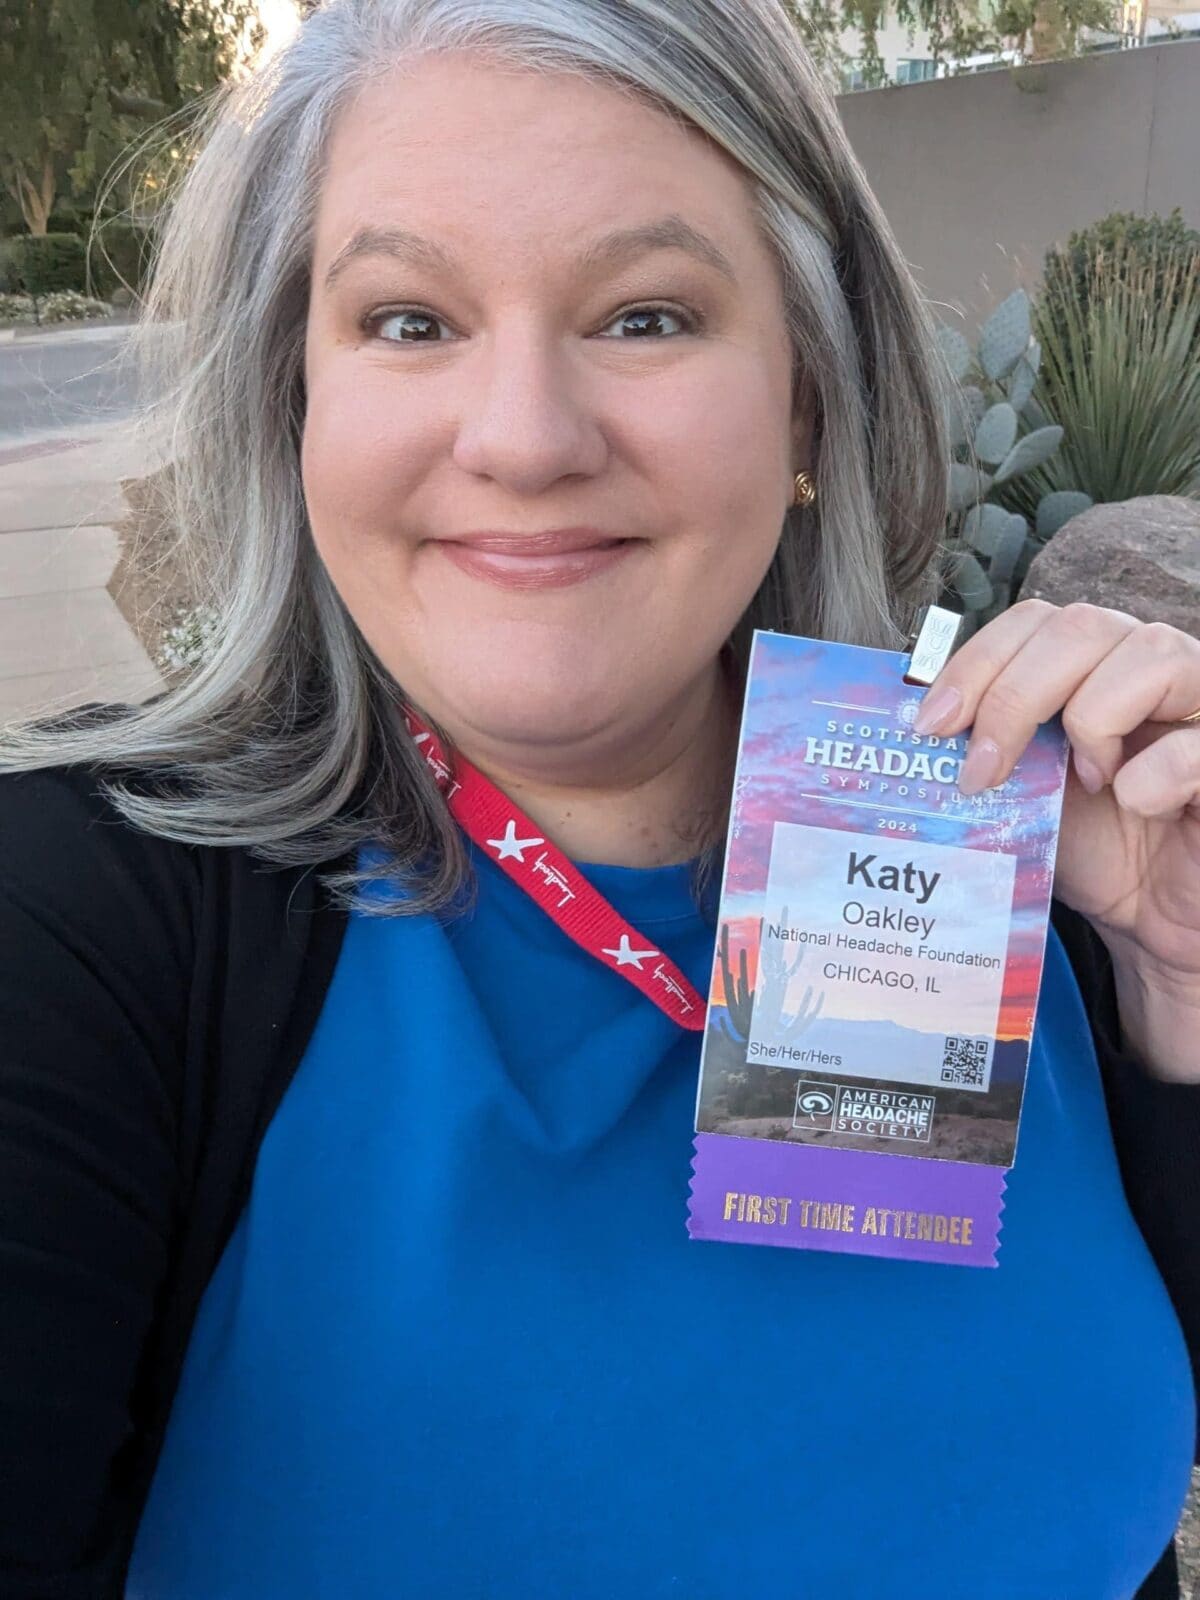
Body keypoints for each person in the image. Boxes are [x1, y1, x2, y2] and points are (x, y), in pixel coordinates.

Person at [1, 0, 1198, 1595]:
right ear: (297, 401)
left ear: (807, 402)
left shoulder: (1019, 865)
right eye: (410, 321)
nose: (523, 439)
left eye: (644, 316)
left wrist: (1180, 999)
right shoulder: (75, 940)